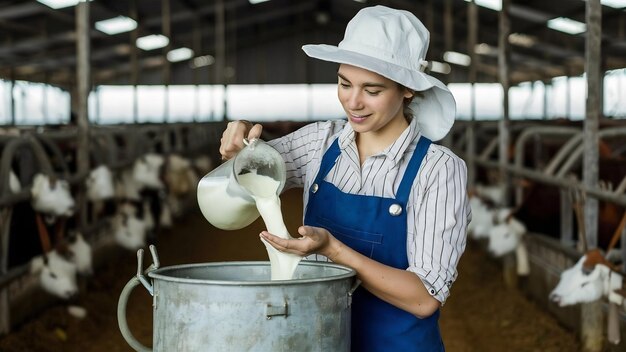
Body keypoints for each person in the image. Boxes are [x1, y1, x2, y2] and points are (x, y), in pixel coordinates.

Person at [219, 5, 470, 352]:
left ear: (408, 89)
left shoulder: (438, 169)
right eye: (344, 83)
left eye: (373, 89)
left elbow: (423, 299)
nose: (353, 102)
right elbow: (251, 170)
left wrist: (332, 249)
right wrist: (240, 140)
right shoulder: (318, 142)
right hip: (318, 340)